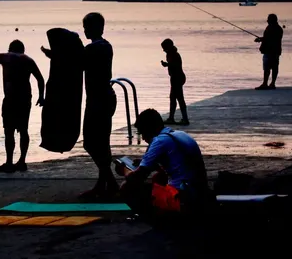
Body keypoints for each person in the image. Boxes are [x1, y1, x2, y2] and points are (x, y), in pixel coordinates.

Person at [116, 108, 213, 219]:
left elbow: (137, 178)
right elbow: (180, 166)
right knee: (158, 177)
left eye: (143, 133)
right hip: (197, 191)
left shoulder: (159, 141)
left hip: (182, 196)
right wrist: (154, 166)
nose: (143, 138)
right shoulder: (179, 134)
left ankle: (157, 217)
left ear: (149, 129)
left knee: (127, 187)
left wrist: (124, 169)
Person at [0, 40, 45, 173]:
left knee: (9, 130)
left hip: (11, 99)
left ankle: (9, 163)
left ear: (10, 49)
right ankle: (22, 161)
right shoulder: (28, 60)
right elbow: (40, 79)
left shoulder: (5, 57)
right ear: (23, 50)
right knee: (24, 130)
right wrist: (41, 96)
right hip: (25, 99)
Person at [76, 12, 119, 200]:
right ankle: (103, 185)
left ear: (96, 28)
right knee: (102, 144)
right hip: (101, 98)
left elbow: (75, 60)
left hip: (99, 100)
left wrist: (55, 54)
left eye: (86, 27)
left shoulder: (96, 48)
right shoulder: (102, 46)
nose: (84, 31)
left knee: (91, 143)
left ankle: (111, 183)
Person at [160, 38, 189, 125]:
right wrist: (167, 64)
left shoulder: (174, 54)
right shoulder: (170, 54)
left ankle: (185, 119)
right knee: (173, 98)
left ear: (168, 47)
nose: (163, 50)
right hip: (174, 78)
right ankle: (171, 118)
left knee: (180, 98)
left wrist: (167, 64)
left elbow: (175, 65)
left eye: (164, 47)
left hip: (178, 78)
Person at [254, 14, 284, 90]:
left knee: (267, 68)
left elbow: (270, 39)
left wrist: (261, 39)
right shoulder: (278, 28)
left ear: (271, 20)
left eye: (268, 19)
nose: (267, 20)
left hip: (270, 51)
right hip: (275, 51)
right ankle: (272, 83)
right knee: (274, 67)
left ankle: (265, 84)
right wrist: (261, 39)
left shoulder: (273, 28)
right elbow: (269, 38)